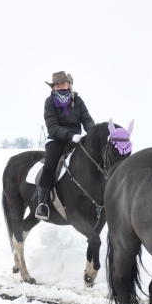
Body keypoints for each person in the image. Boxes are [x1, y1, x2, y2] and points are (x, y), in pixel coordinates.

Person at [35, 71, 95, 221]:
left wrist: (93, 133)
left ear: (69, 84)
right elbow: (52, 126)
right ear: (53, 87)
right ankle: (41, 204)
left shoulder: (78, 100)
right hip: (57, 140)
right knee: (49, 166)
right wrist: (70, 135)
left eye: (63, 83)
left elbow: (86, 119)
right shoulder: (49, 102)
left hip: (77, 140)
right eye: (57, 84)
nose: (60, 86)